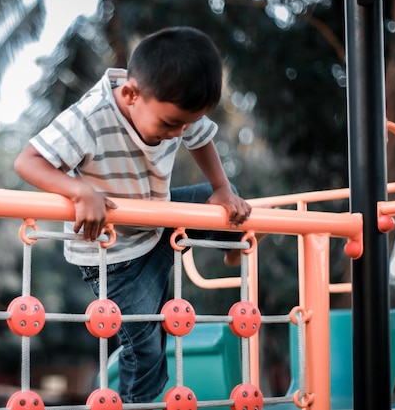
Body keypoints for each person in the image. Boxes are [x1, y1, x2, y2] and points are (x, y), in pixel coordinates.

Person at [14, 26, 252, 405]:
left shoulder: (171, 109)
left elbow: (201, 137)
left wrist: (222, 186)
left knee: (221, 199)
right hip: (113, 255)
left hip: (157, 222)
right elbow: (27, 161)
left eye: (184, 124)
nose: (177, 134)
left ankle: (231, 243)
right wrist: (80, 190)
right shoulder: (91, 116)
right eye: (170, 124)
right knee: (147, 351)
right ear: (130, 94)